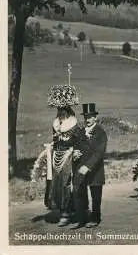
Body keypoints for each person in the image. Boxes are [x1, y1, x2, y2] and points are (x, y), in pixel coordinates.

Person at [45, 85, 89, 227]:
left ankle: (67, 212)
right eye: (58, 110)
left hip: (69, 155)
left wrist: (76, 151)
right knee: (57, 183)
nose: (60, 112)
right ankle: (63, 209)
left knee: (66, 183)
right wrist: (52, 145)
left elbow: (80, 141)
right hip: (57, 155)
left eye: (62, 110)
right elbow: (55, 139)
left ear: (68, 110)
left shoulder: (74, 124)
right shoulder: (56, 123)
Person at [71, 103, 108, 229]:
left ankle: (95, 218)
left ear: (95, 118)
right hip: (81, 168)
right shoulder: (80, 132)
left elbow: (99, 152)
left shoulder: (100, 133)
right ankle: (82, 217)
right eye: (86, 117)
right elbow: (76, 145)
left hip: (95, 169)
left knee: (96, 196)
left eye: (90, 117)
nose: (88, 119)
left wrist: (88, 166)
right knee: (80, 193)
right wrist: (75, 152)